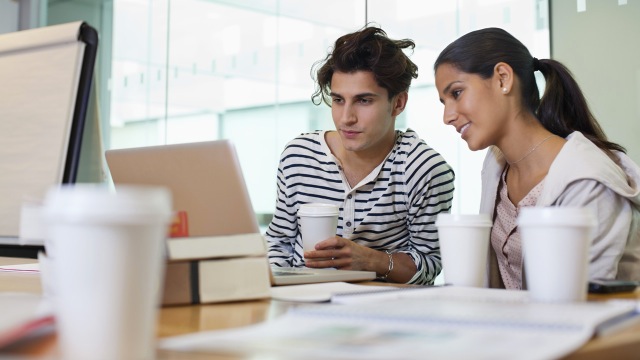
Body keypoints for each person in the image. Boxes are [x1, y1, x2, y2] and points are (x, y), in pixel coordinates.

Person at [433, 27, 640, 289]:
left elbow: (581, 304)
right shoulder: (496, 164)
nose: (447, 116)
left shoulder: (588, 182)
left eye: (456, 93)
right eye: (443, 102)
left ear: (502, 79)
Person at [265, 25, 455, 285]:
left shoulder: (423, 169)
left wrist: (372, 261)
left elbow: (429, 265)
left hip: (382, 311)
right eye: (339, 100)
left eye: (364, 101)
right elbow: (279, 243)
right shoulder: (298, 156)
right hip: (299, 302)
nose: (346, 118)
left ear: (398, 103)